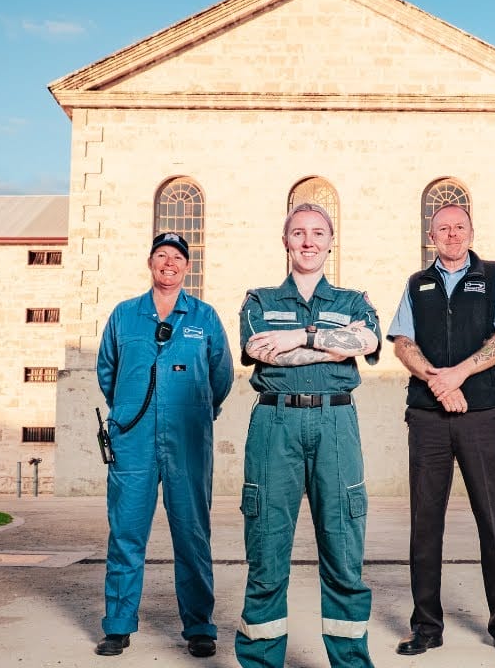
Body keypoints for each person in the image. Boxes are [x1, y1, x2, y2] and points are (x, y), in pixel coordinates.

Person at [235, 203, 381, 668]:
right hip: (274, 426)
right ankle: (260, 662)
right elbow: (262, 353)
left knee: (343, 552)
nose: (308, 241)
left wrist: (302, 336)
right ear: (285, 241)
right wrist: (333, 345)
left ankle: (351, 662)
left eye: (318, 233)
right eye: (298, 232)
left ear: (331, 241)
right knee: (266, 552)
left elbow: (369, 342)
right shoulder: (258, 300)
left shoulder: (355, 301)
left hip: (336, 426)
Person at [387, 204, 495, 659]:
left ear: (472, 231)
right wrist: (437, 381)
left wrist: (460, 375)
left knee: (494, 521)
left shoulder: (493, 275)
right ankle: (426, 627)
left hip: (482, 415)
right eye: (443, 228)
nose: (451, 234)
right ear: (432, 236)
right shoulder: (416, 284)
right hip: (428, 418)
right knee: (425, 526)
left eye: (459, 227)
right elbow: (402, 343)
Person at [94, 232, 233, 659]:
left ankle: (199, 627)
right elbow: (107, 370)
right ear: (150, 262)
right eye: (161, 256)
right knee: (126, 534)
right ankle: (118, 626)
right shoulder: (124, 315)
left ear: (187, 267)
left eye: (177, 257)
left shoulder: (205, 317)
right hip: (132, 439)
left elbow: (222, 375)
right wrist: (128, 410)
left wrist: (195, 413)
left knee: (192, 534)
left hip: (187, 440)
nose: (168, 263)